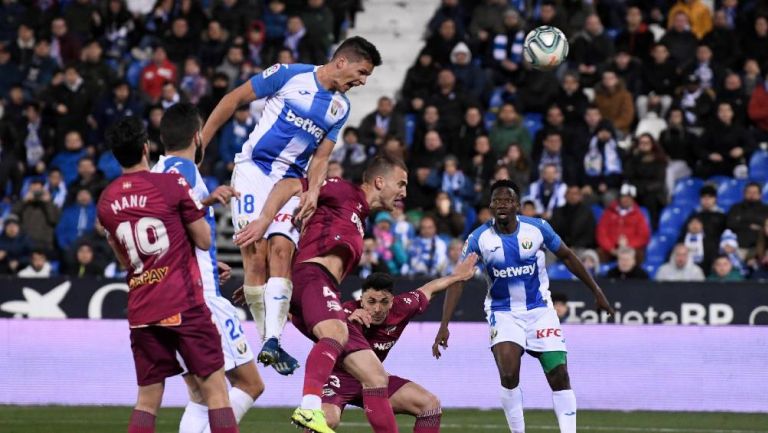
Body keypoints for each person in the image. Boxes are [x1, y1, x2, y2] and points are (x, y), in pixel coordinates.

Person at [201, 36, 382, 374]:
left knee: (282, 249)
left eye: (367, 76)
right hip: (253, 171)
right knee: (255, 256)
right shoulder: (288, 75)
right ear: (342, 61)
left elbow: (321, 157)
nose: (362, 81)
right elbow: (233, 99)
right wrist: (201, 147)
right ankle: (268, 338)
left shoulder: (340, 108)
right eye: (362, 72)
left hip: (290, 183)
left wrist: (313, 191)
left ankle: (272, 341)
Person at [233, 155, 408, 433]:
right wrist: (265, 220)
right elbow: (288, 185)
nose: (404, 192)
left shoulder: (360, 217)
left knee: (375, 377)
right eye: (400, 184)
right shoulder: (343, 190)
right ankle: (309, 407)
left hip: (320, 287)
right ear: (379, 181)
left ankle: (313, 417)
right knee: (336, 333)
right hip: (313, 278)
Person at [433, 179, 615, 433]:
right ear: (490, 205)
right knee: (508, 374)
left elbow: (567, 256)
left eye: (507, 200)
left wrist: (596, 290)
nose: (502, 205)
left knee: (559, 375)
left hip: (540, 311)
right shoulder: (478, 238)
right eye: (497, 201)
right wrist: (444, 325)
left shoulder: (538, 228)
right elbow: (458, 281)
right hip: (503, 313)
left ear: (518, 205)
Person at [96, 117, 237, 433]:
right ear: (146, 148)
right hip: (182, 302)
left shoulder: (106, 200)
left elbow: (124, 259)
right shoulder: (172, 184)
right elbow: (203, 240)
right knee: (216, 390)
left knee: (147, 398)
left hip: (142, 308)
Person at [150, 103, 265, 433]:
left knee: (200, 396)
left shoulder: (157, 171)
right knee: (249, 384)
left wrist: (206, 262)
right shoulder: (182, 171)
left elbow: (165, 229)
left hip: (172, 294)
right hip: (201, 300)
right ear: (198, 137)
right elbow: (175, 213)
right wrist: (208, 200)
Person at [320, 263, 478, 431]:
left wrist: (457, 277)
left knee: (430, 405)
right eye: (371, 301)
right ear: (362, 299)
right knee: (326, 421)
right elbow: (316, 326)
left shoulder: (403, 307)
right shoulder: (344, 312)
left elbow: (430, 288)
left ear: (392, 301)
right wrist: (345, 322)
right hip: (336, 379)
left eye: (384, 302)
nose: (377, 309)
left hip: (375, 380)